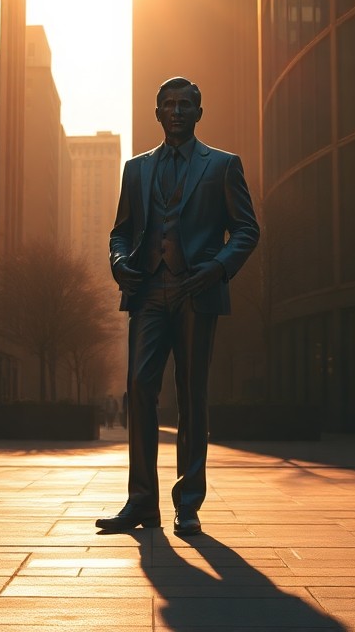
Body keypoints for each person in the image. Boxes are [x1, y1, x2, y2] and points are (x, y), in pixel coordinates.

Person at [96, 76, 259, 536]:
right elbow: (121, 231)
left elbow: (247, 229)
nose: (177, 111)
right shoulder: (136, 169)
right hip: (147, 292)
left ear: (199, 113)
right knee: (139, 389)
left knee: (192, 395)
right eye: (168, 104)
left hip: (197, 291)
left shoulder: (224, 166)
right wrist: (117, 259)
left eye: (186, 104)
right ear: (157, 113)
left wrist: (220, 267)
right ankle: (142, 502)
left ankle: (188, 504)